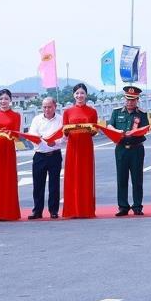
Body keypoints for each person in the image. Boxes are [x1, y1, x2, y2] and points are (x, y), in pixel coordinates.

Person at [109, 85, 150, 216]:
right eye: (127, 99)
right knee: (121, 178)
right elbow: (110, 125)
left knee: (137, 178)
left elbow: (146, 128)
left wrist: (135, 132)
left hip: (136, 148)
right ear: (124, 99)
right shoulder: (117, 112)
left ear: (137, 100)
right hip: (121, 148)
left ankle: (137, 206)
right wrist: (116, 131)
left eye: (133, 100)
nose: (129, 102)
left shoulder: (142, 113)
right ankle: (123, 206)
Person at [62, 83, 100, 218]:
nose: (80, 96)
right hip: (72, 147)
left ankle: (85, 209)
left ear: (86, 95)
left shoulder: (92, 112)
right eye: (77, 93)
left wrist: (90, 129)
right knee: (72, 176)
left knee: (86, 176)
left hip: (86, 147)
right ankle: (72, 210)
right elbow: (65, 131)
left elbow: (95, 131)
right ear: (73, 95)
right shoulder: (67, 112)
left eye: (82, 93)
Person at [0, 88, 22, 221]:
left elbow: (17, 135)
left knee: (9, 179)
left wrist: (7, 133)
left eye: (6, 99)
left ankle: (10, 213)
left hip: (8, 150)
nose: (3, 101)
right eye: (1, 99)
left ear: (10, 100)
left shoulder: (16, 115)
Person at [26, 95, 63, 219]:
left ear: (55, 107)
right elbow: (32, 134)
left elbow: (64, 136)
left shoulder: (61, 119)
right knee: (38, 184)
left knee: (54, 184)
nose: (47, 109)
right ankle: (37, 211)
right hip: (39, 155)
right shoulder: (37, 119)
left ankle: (53, 211)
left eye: (49, 107)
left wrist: (55, 142)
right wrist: (39, 140)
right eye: (44, 107)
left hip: (54, 154)